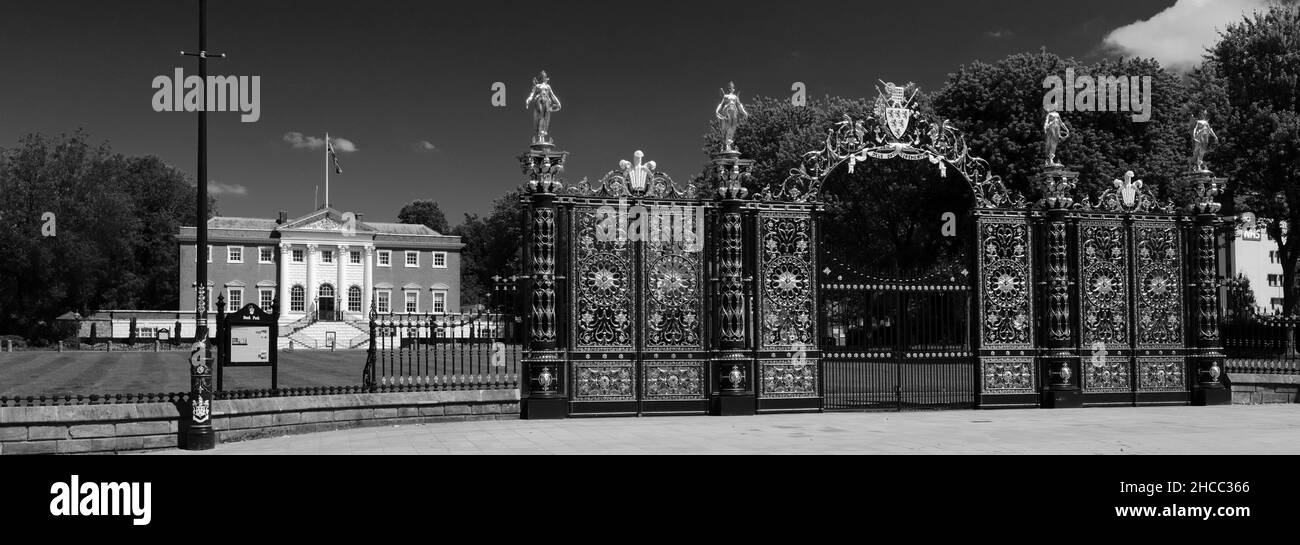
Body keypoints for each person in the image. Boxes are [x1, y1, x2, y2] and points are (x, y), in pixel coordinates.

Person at [526, 71, 562, 145]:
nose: (543, 78)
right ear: (540, 78)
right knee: (540, 115)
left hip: (547, 101)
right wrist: (528, 99)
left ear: (546, 78)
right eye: (542, 77)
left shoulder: (548, 87)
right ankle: (540, 134)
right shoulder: (537, 86)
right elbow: (532, 94)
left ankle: (542, 134)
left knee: (546, 116)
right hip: (539, 100)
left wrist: (558, 103)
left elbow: (552, 95)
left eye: (544, 77)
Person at [715, 82, 749, 153]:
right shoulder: (725, 96)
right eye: (730, 88)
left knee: (733, 127)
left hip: (734, 112)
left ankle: (729, 142)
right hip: (727, 111)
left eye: (732, 88)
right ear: (729, 89)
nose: (731, 89)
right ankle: (727, 143)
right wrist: (717, 110)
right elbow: (721, 104)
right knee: (728, 127)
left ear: (733, 89)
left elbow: (739, 106)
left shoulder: (736, 97)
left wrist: (744, 112)